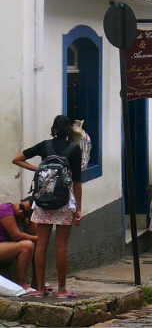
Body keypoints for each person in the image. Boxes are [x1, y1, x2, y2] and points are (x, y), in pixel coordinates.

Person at [12, 115, 83, 298]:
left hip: (42, 201)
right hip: (64, 203)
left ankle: (41, 288)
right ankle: (62, 289)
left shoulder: (44, 146)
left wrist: (39, 169)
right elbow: (77, 182)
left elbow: (17, 159)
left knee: (41, 244)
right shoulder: (74, 149)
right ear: (69, 131)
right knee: (61, 246)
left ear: (53, 130)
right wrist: (79, 209)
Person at [0, 198, 40, 291]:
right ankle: (22, 283)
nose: (20, 211)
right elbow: (16, 236)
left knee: (37, 244)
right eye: (21, 207)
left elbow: (32, 234)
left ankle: (36, 281)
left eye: (25, 213)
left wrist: (31, 219)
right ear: (20, 201)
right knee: (27, 245)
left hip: (5, 245)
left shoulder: (22, 219)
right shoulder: (5, 209)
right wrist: (40, 239)